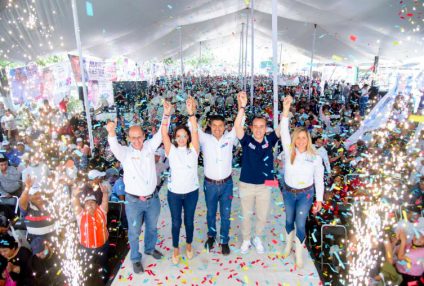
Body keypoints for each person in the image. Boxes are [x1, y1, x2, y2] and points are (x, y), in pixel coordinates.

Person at [106, 112, 166, 274]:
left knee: (152, 227)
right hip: (133, 202)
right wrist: (111, 133)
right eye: (133, 138)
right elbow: (115, 147)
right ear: (128, 139)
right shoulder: (125, 153)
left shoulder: (150, 147)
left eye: (139, 137)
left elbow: (161, 133)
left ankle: (149, 249)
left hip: (152, 199)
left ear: (144, 136)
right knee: (134, 231)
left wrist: (165, 114)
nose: (137, 140)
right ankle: (135, 258)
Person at [188, 111, 244, 256]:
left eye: (220, 125)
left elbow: (239, 124)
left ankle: (224, 241)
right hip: (210, 184)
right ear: (210, 126)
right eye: (214, 125)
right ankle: (211, 237)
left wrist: (242, 107)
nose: (217, 128)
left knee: (226, 214)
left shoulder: (230, 138)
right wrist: (191, 113)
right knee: (211, 213)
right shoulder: (205, 139)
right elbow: (193, 127)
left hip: (227, 184)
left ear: (225, 126)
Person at [234, 91, 282, 254]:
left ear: (266, 128)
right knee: (246, 216)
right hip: (246, 184)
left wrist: (287, 109)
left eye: (262, 127)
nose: (259, 130)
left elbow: (283, 127)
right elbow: (237, 126)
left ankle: (257, 237)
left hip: (265, 186)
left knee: (262, 216)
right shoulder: (246, 140)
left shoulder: (270, 140)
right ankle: (247, 239)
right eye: (256, 126)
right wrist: (242, 107)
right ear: (252, 128)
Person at [280, 95, 324, 268]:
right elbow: (284, 130)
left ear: (308, 140)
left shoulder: (315, 157)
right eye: (298, 138)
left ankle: (298, 254)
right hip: (289, 192)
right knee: (289, 220)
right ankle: (288, 245)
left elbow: (319, 179)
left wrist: (319, 199)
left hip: (306, 195)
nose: (300, 141)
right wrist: (286, 109)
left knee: (300, 222)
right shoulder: (289, 150)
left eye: (304, 138)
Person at [162, 97, 199, 264]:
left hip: (191, 192)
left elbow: (196, 130)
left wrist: (191, 113)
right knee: (176, 222)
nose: (182, 138)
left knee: (189, 221)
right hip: (174, 194)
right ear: (175, 137)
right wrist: (166, 114)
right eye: (178, 136)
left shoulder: (194, 150)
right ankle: (176, 250)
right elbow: (164, 133)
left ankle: (189, 246)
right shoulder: (171, 151)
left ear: (188, 137)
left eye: (184, 135)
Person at [73, 184, 109, 284]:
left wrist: (105, 193)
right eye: (87, 203)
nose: (89, 204)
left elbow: (105, 201)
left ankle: (106, 280)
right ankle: (87, 281)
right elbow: (75, 205)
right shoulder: (81, 214)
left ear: (97, 204)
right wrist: (75, 196)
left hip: (102, 246)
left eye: (92, 202)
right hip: (86, 248)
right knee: (86, 266)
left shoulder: (102, 211)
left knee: (104, 264)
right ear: (84, 205)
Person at [19, 175, 55, 242]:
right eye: (35, 194)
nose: (38, 196)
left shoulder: (50, 204)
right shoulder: (28, 207)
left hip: (52, 239)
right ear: (29, 197)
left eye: (40, 193)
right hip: (36, 243)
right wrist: (27, 188)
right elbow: (22, 202)